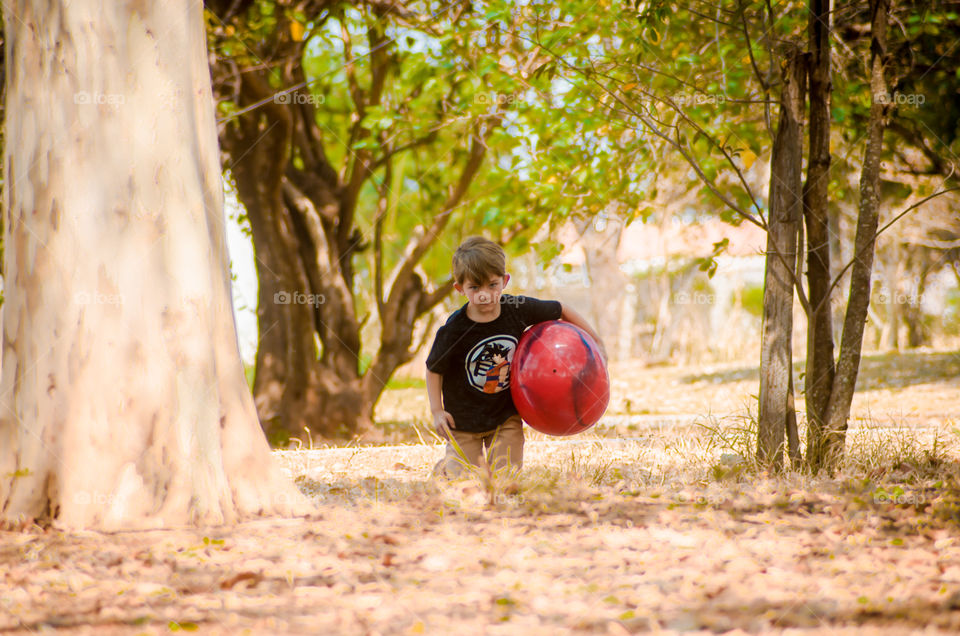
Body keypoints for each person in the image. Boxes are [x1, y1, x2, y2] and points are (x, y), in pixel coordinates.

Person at [425, 236, 605, 478]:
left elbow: (560, 309)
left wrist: (593, 340)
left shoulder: (516, 308)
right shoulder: (454, 329)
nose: (485, 295)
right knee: (464, 484)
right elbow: (434, 368)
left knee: (506, 482)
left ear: (505, 281)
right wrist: (437, 411)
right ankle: (448, 468)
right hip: (463, 422)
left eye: (492, 285)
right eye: (474, 288)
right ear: (460, 288)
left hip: (504, 417)